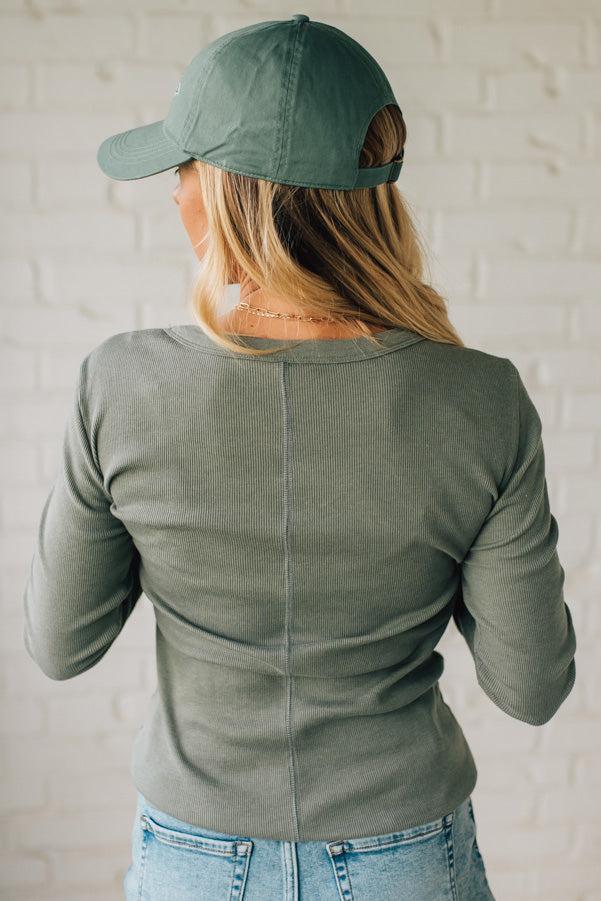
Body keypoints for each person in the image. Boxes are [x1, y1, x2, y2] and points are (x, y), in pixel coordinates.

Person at [23, 13, 576, 901]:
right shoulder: (480, 398)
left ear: (235, 189)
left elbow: (59, 644)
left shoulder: (118, 385)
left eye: (185, 165)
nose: (174, 192)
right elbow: (532, 685)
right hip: (405, 853)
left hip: (193, 858)